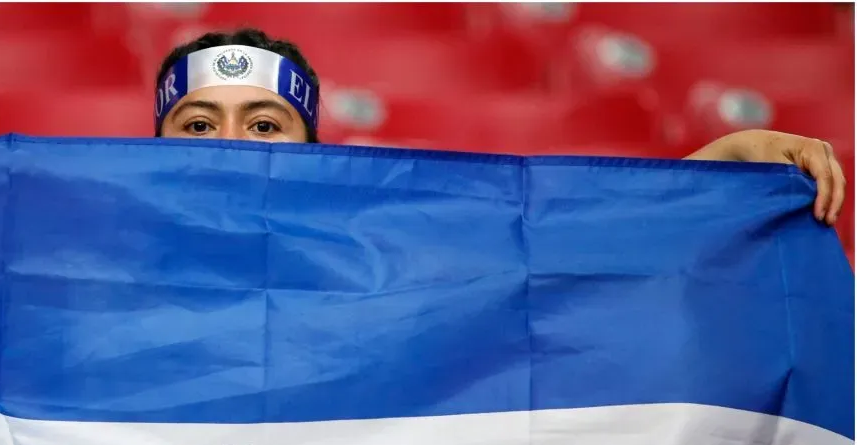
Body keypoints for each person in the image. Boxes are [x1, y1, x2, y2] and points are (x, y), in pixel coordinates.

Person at [154, 28, 848, 227]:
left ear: (314, 150)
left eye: (267, 124)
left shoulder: (376, 237)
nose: (233, 144)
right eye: (198, 124)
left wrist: (725, 162)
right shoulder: (84, 248)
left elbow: (549, 233)